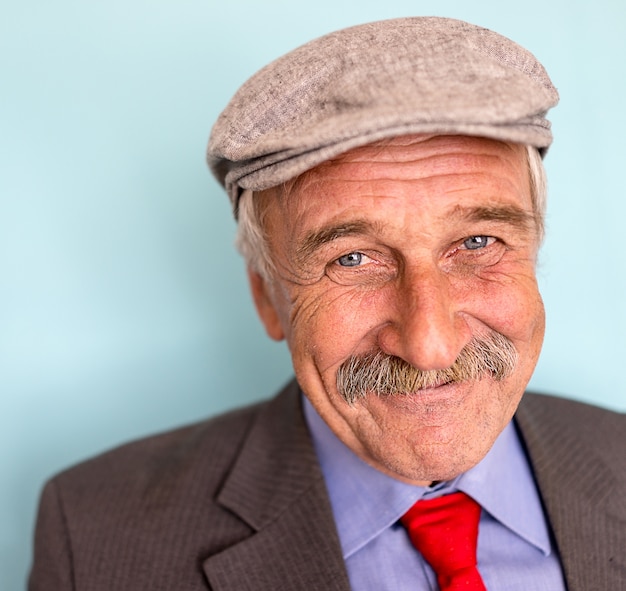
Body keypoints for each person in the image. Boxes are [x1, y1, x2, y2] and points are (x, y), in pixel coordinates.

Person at [29, 17, 625, 591]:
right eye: (352, 259)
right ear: (267, 297)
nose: (430, 345)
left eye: (477, 244)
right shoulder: (94, 531)